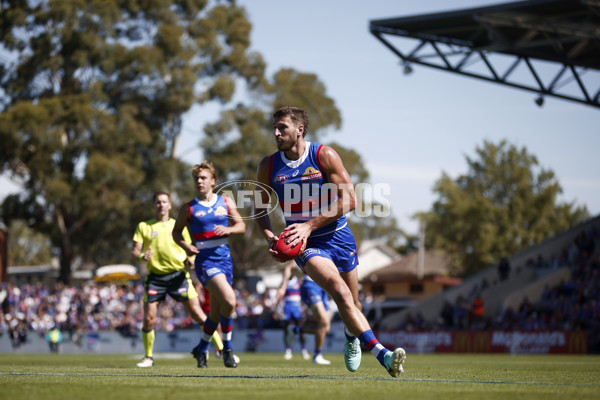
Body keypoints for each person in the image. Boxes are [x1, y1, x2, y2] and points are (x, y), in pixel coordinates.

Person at [255, 106, 406, 377]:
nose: (276, 133)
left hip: (338, 236)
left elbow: (349, 199)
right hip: (304, 243)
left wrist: (310, 225)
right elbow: (259, 206)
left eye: (283, 128)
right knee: (338, 290)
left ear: (299, 130)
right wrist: (269, 234)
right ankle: (383, 354)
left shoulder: (323, 155)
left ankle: (351, 336)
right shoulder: (269, 165)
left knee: (353, 304)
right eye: (275, 128)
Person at [132, 191, 219, 367]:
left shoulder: (177, 226)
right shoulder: (144, 226)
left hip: (179, 276)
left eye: (164, 202)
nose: (161, 205)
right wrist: (142, 256)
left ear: (170, 205)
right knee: (149, 318)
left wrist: (191, 260)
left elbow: (190, 249)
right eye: (158, 202)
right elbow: (135, 251)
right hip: (155, 277)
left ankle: (222, 349)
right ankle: (148, 357)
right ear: (154, 205)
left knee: (198, 314)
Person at [173, 161, 246, 368]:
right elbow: (176, 232)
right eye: (196, 178)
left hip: (225, 261)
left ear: (213, 181)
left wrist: (229, 230)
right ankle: (228, 350)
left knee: (215, 313)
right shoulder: (188, 208)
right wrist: (186, 246)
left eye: (203, 177)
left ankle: (201, 349)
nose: (199, 181)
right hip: (205, 261)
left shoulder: (225, 202)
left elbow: (241, 225)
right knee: (230, 301)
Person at [276, 263, 310, 361]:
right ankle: (288, 350)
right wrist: (278, 309)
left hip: (297, 307)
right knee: (286, 329)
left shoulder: (298, 282)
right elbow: (280, 297)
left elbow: (303, 296)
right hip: (287, 307)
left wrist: (304, 308)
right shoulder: (284, 283)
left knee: (301, 329)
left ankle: (304, 350)